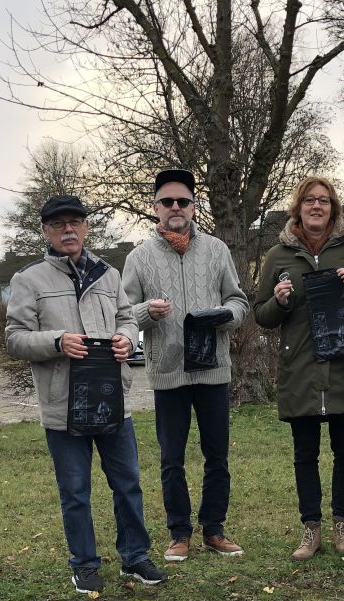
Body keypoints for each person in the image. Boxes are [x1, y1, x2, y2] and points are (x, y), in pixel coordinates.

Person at [5, 195, 165, 593]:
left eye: (75, 222)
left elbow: (128, 319)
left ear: (86, 227)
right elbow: (14, 339)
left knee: (127, 484)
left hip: (113, 400)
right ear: (45, 231)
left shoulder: (109, 275)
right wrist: (57, 341)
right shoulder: (28, 280)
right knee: (75, 491)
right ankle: (85, 564)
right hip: (63, 406)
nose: (69, 230)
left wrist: (127, 340)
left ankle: (136, 557)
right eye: (59, 224)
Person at [122, 170, 249, 562]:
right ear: (155, 208)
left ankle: (214, 529)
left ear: (194, 206)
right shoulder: (138, 257)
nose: (175, 208)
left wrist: (226, 314)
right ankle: (179, 533)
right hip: (168, 371)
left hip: (212, 368)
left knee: (217, 455)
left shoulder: (216, 250)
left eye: (183, 201)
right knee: (171, 458)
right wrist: (147, 311)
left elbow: (240, 301)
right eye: (167, 202)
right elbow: (122, 314)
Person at [253, 176, 344, 561]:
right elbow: (261, 317)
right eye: (309, 200)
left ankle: (342, 524)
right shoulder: (278, 256)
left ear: (334, 208)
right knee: (304, 454)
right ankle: (311, 530)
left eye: (324, 200)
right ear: (298, 208)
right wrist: (278, 301)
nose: (316, 206)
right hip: (301, 368)